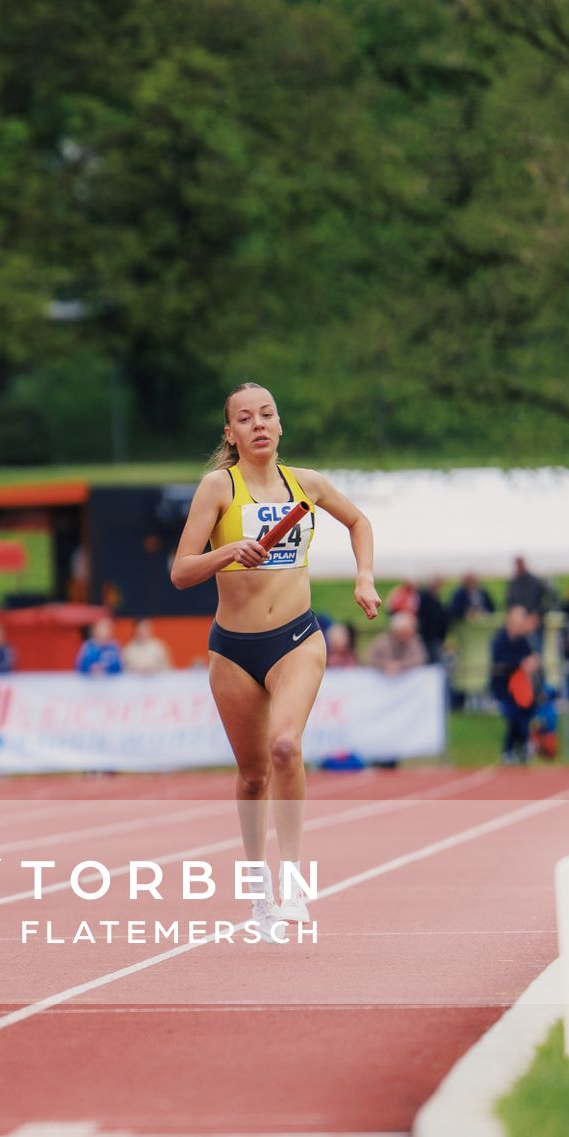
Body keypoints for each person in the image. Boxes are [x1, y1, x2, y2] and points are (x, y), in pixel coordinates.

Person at [170, 381, 378, 939]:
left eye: (267, 414)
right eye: (245, 418)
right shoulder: (218, 488)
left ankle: (293, 883)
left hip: (296, 638)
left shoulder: (307, 485)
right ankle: (258, 887)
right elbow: (181, 572)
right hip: (234, 650)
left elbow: (359, 521)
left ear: (280, 425)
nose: (258, 424)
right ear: (230, 433)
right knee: (253, 775)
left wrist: (364, 576)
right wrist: (227, 552)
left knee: (286, 745)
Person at [489, 606, 542, 764]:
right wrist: (521, 664)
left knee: (526, 710)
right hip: (503, 688)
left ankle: (514, 748)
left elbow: (531, 657)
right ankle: (522, 744)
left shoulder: (523, 640)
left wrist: (532, 662)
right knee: (515, 714)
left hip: (521, 688)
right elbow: (501, 662)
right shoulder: (500, 640)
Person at [366, 610, 428, 675]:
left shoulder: (415, 641)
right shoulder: (381, 642)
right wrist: (385, 665)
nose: (403, 636)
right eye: (401, 632)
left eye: (407, 632)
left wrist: (401, 665)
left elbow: (421, 658)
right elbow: (371, 658)